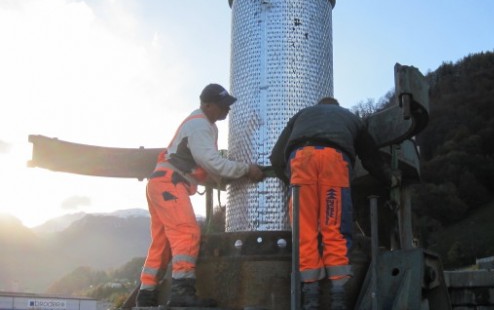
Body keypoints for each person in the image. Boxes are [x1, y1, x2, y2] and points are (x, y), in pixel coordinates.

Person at [136, 83, 264, 308]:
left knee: (163, 241)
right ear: (207, 105)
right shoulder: (200, 125)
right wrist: (245, 169)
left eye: (228, 106)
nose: (227, 110)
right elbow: (211, 162)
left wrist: (222, 175)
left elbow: (206, 166)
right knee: (186, 232)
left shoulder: (202, 125)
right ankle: (182, 295)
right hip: (170, 184)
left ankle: (146, 296)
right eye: (222, 106)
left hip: (160, 183)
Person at [270, 97, 393, 310]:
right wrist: (389, 179)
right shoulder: (350, 118)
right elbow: (371, 158)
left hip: (301, 160)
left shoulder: (302, 115)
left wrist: (290, 180)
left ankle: (310, 299)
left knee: (304, 232)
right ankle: (338, 299)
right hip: (333, 162)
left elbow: (275, 157)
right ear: (337, 106)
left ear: (319, 105)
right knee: (333, 229)